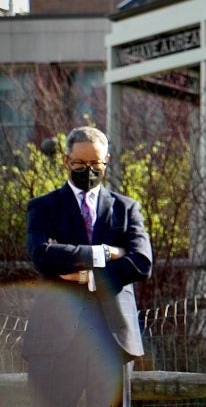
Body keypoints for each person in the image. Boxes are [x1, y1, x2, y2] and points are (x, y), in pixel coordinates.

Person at [23, 126, 153, 407]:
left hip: (112, 339)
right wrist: (105, 253)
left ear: (106, 161)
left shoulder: (127, 209)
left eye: (95, 164)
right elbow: (42, 255)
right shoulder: (43, 207)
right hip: (56, 340)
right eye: (80, 164)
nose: (88, 170)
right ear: (66, 161)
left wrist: (88, 277)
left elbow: (141, 262)